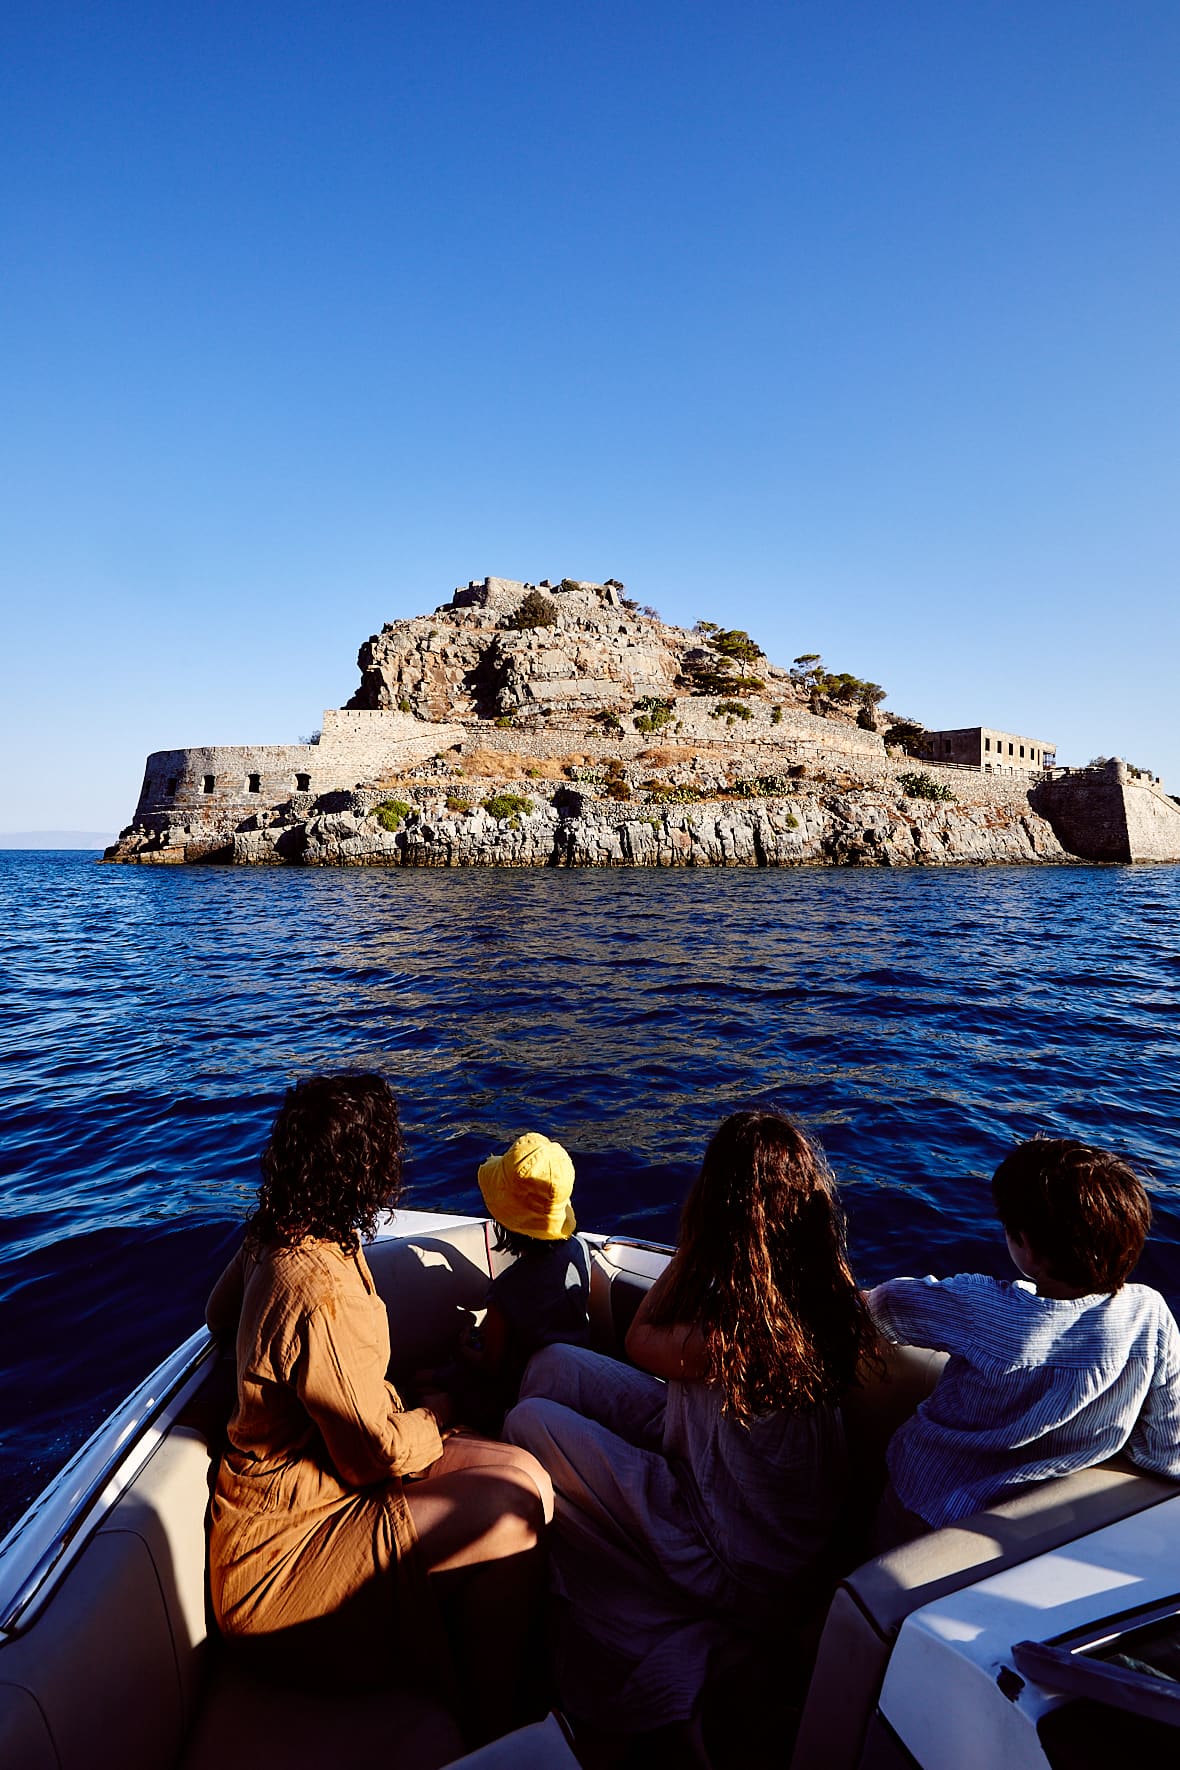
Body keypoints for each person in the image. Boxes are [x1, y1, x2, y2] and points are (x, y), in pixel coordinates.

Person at [502, 1108, 878, 1737]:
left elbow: (641, 1336)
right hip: (711, 1460)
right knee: (554, 1364)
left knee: (528, 1421)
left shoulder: (737, 1333)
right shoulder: (813, 1290)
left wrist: (699, 1238)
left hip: (728, 1553)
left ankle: (544, 1580)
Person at [204, 1072, 553, 1744]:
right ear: (366, 1168)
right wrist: (433, 1413)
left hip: (308, 1494)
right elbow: (374, 1458)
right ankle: (493, 1730)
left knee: (526, 1475)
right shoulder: (317, 1287)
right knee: (510, 1518)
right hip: (280, 1561)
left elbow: (217, 1318)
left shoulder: (278, 1233)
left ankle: (489, 1671)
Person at [868, 1137, 1180, 1544]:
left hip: (925, 1499)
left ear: (1027, 1249)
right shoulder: (1150, 1314)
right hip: (1033, 1523)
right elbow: (1165, 1452)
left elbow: (887, 1305)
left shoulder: (985, 1306)